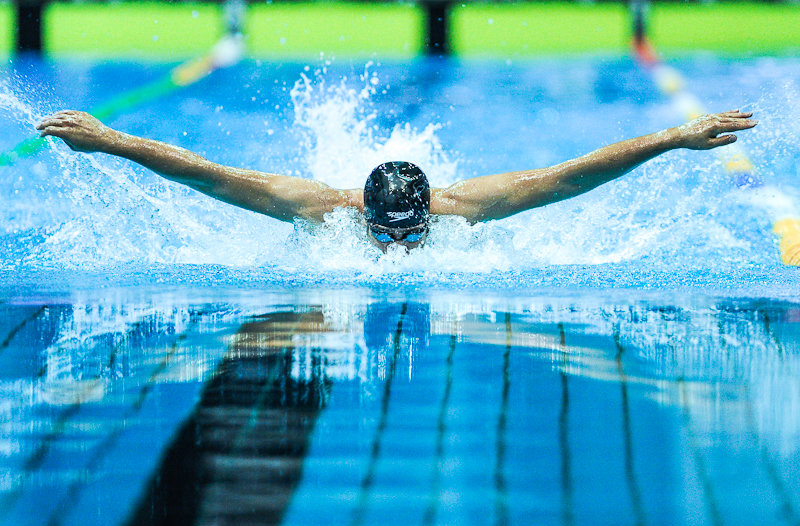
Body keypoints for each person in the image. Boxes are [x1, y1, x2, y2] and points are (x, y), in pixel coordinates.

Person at [35, 109, 757, 252]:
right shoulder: (322, 212)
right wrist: (112, 141)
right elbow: (209, 176)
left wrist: (673, 138)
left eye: (411, 237)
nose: (399, 251)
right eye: (388, 237)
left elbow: (570, 179)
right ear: (369, 218)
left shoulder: (463, 211)